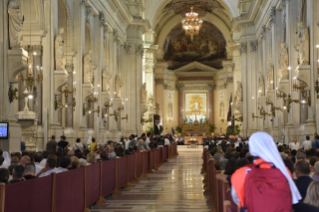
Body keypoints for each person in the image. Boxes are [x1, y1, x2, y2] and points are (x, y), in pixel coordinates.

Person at [231, 132, 301, 211]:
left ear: (251, 150)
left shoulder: (240, 173)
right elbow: (290, 196)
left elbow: (237, 200)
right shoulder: (284, 170)